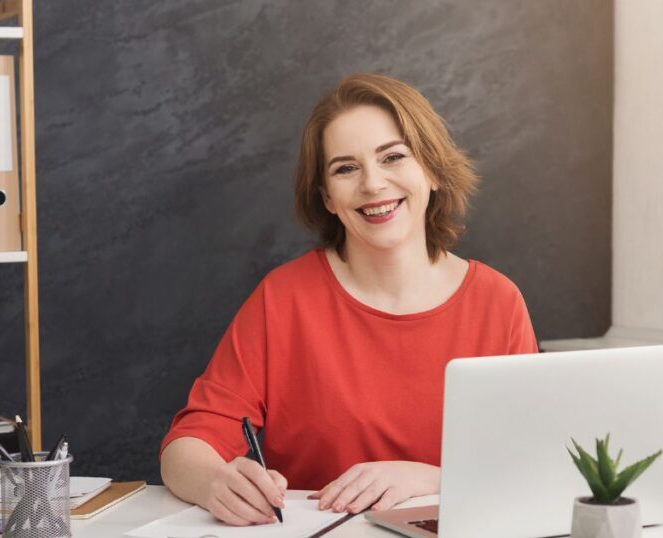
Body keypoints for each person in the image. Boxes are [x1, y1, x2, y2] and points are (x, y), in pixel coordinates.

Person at [159, 73, 538, 526]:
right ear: (328, 198)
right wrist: (215, 483)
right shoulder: (283, 299)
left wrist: (430, 478)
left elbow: (530, 466)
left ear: (432, 171)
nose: (373, 184)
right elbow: (186, 446)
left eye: (393, 157)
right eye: (345, 168)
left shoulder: (498, 302)